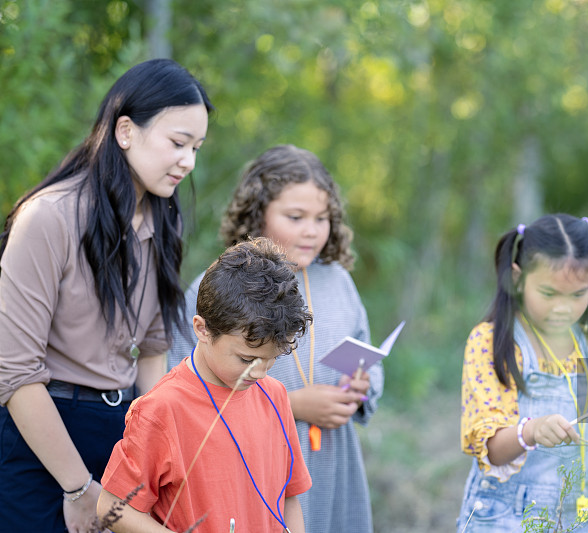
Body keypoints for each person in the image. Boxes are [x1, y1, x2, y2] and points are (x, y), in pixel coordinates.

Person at [0, 58, 212, 533]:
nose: (189, 161)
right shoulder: (47, 218)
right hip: (44, 443)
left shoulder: (162, 220)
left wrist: (160, 452)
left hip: (121, 437)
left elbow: (153, 350)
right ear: (125, 131)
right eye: (178, 143)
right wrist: (78, 488)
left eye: (196, 147)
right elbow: (13, 373)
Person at [168, 144, 382, 532]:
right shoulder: (218, 287)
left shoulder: (339, 283)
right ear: (257, 214)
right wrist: (293, 406)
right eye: (295, 216)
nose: (311, 230)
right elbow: (185, 391)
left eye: (322, 218)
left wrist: (362, 386)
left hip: (334, 460)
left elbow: (365, 353)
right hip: (255, 460)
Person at [98, 237, 313, 532]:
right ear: (202, 329)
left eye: (271, 359)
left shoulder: (275, 395)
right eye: (247, 358)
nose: (260, 373)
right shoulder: (160, 409)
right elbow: (111, 508)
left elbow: (289, 498)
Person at [457, 214, 588, 533]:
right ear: (517, 279)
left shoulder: (587, 350)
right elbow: (491, 450)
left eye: (577, 295)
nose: (563, 308)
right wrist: (531, 431)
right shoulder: (492, 344)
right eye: (548, 294)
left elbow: (586, 448)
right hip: (504, 518)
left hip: (573, 519)